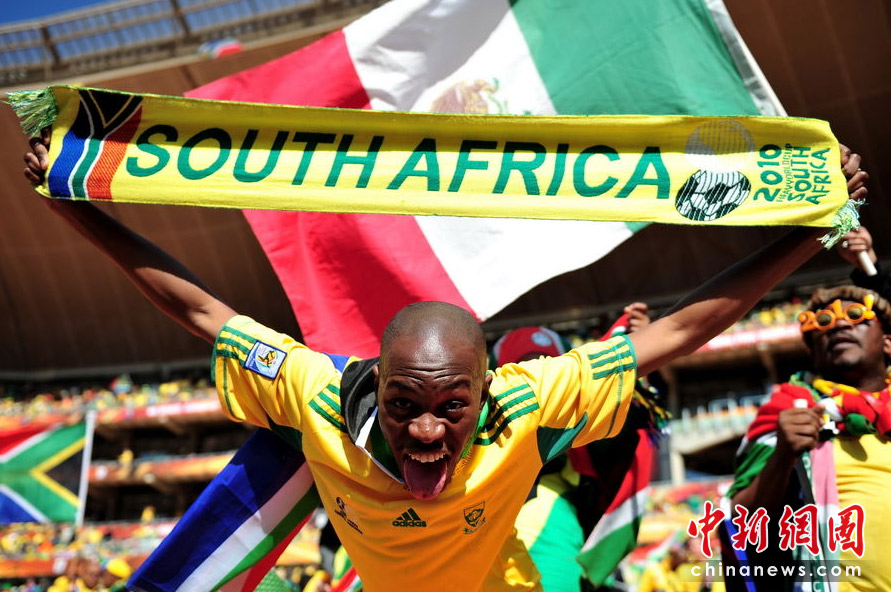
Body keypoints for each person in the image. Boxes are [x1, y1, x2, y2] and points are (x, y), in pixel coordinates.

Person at [23, 136, 867, 592]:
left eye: (451, 407)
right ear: (374, 380)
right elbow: (202, 311)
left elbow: (679, 331)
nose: (426, 431)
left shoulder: (533, 396)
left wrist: (805, 234)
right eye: (403, 405)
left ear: (486, 390)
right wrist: (74, 207)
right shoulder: (311, 389)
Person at [725, 284, 891, 591]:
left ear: (887, 342)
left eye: (855, 316)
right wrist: (783, 456)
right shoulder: (789, 411)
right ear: (812, 351)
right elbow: (741, 520)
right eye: (823, 322)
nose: (839, 325)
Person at [498, 304, 654, 592]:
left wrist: (639, 348)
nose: (541, 380)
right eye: (526, 370)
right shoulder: (474, 441)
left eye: (551, 368)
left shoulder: (584, 436)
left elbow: (625, 421)